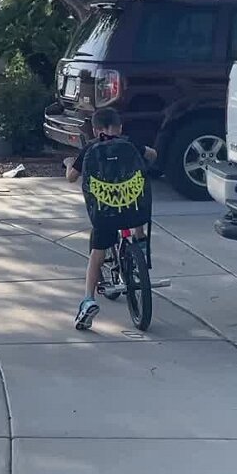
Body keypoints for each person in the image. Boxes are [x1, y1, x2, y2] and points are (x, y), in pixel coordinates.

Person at [65, 107, 156, 330]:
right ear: (119, 127)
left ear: (96, 130)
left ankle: (88, 300)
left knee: (97, 253)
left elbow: (71, 177)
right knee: (135, 209)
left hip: (105, 214)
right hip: (134, 211)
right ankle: (140, 249)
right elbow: (152, 154)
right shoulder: (130, 144)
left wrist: (68, 163)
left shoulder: (90, 148)